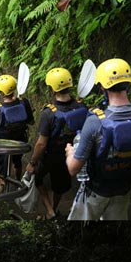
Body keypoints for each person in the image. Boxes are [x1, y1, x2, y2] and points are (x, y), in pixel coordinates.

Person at [65, 58, 131, 220]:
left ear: (102, 87)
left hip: (95, 193)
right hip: (124, 191)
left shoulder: (95, 122)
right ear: (129, 84)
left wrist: (70, 152)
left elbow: (73, 169)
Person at [26, 68, 88, 218]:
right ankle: (54, 207)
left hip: (50, 155)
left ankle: (49, 210)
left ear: (52, 89)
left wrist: (33, 162)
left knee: (38, 179)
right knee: (60, 187)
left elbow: (41, 144)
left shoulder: (49, 113)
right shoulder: (81, 107)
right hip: (70, 154)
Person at [0, 74, 34, 181]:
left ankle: (2, 186)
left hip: (3, 144)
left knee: (1, 167)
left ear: (1, 92)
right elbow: (31, 122)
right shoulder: (24, 102)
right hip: (20, 140)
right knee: (17, 162)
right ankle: (18, 181)